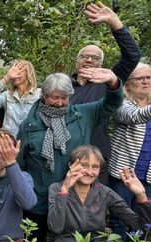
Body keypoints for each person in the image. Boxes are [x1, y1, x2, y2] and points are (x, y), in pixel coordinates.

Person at [17, 69, 122, 242]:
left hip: (75, 199)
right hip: (39, 199)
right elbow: (19, 162)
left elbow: (112, 103)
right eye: (54, 98)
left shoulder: (83, 114)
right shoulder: (29, 126)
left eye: (64, 98)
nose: (59, 103)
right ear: (44, 96)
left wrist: (113, 82)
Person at [47, 145, 151, 242]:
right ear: (71, 165)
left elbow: (141, 228)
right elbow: (55, 227)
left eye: (95, 167)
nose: (89, 172)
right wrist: (65, 190)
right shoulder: (56, 189)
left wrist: (141, 195)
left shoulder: (104, 193)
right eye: (84, 165)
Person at [70, 2, 141, 185]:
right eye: (85, 56)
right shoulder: (63, 87)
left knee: (94, 207)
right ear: (77, 62)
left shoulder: (108, 82)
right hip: (64, 157)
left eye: (95, 58)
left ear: (100, 65)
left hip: (95, 158)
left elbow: (132, 55)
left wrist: (115, 23)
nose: (89, 60)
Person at [108, 62, 151, 242]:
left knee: (144, 221)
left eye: (149, 77)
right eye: (140, 78)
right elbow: (135, 116)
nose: (146, 81)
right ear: (127, 84)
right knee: (119, 220)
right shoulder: (121, 104)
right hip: (123, 175)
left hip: (148, 177)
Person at [0, 59, 40, 135]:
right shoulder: (7, 95)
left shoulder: (39, 94)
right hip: (8, 142)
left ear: (28, 73)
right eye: (13, 70)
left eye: (19, 70)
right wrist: (7, 77)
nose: (15, 74)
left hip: (30, 142)